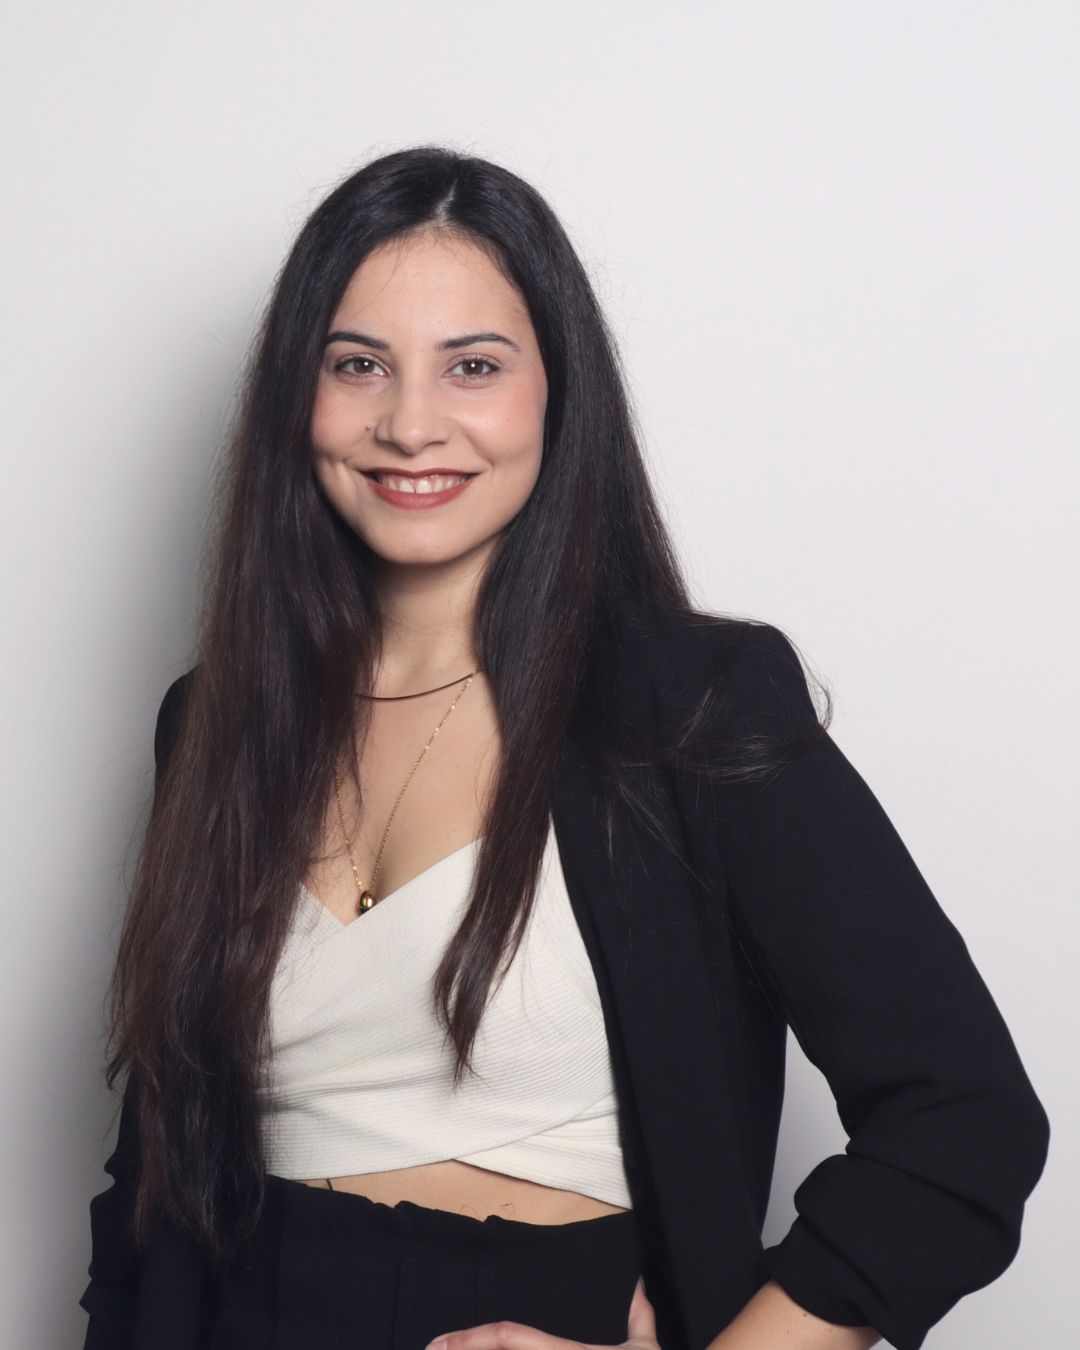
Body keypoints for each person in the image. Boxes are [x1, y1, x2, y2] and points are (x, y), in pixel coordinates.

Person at [79, 146, 1050, 1350]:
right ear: (299, 394)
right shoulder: (216, 717)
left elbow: (963, 1123)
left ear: (557, 392)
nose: (410, 424)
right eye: (358, 364)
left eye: (473, 366)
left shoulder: (693, 710)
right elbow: (146, 1191)